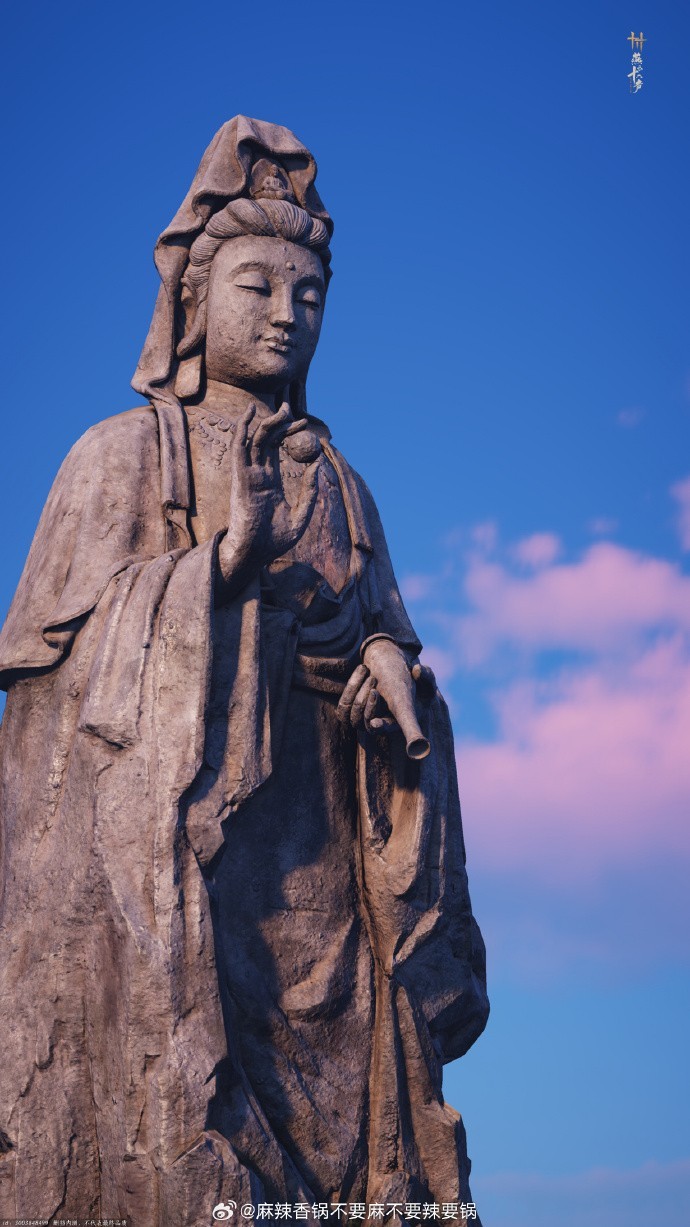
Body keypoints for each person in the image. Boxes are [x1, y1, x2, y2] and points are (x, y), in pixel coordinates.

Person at [0, 117, 488, 1223]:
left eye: (309, 295)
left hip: (328, 880)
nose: (285, 313)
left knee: (363, 1163)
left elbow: (388, 640)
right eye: (259, 285)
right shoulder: (118, 457)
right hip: (188, 876)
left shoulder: (341, 488)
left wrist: (390, 686)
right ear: (194, 299)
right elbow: (47, 703)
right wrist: (216, 569)